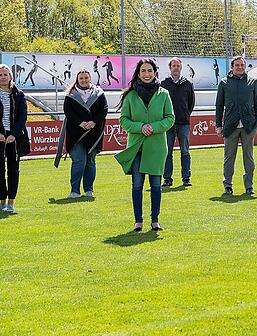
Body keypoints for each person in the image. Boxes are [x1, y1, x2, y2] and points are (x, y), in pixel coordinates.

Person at [114, 59, 174, 231]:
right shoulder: (130, 95)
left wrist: (153, 127)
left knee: (156, 185)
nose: (146, 74)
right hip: (137, 147)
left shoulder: (164, 94)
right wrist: (140, 127)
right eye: (143, 71)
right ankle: (138, 221)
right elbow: (123, 120)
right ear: (138, 74)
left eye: (149, 70)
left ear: (155, 72)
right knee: (137, 185)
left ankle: (155, 220)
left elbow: (170, 118)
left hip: (157, 147)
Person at [0, 64, 31, 213]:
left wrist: (13, 134)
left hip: (14, 139)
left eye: (6, 74)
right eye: (0, 75)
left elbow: (23, 117)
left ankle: (11, 203)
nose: (3, 77)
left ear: (10, 76)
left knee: (13, 171)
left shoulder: (19, 95)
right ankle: (1, 201)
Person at [216, 55, 257, 195]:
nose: (240, 67)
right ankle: (228, 185)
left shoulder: (253, 82)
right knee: (229, 157)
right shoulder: (224, 83)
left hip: (249, 125)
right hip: (230, 125)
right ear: (232, 67)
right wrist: (218, 125)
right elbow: (219, 105)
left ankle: (249, 186)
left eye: (242, 65)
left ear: (245, 66)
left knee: (248, 157)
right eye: (237, 65)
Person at [61, 69, 108, 198]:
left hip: (94, 133)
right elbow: (68, 112)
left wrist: (94, 122)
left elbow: (104, 110)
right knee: (79, 160)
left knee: (90, 161)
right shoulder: (71, 95)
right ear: (77, 80)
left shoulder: (99, 93)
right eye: (81, 78)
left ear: (90, 78)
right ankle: (74, 190)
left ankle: (89, 189)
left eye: (86, 78)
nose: (84, 80)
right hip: (76, 134)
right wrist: (80, 123)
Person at [161, 57, 196, 187]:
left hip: (184, 123)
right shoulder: (163, 84)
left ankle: (186, 178)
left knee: (185, 151)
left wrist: (186, 114)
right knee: (167, 152)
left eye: (178, 66)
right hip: (168, 124)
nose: (176, 68)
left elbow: (191, 103)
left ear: (181, 68)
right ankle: (167, 178)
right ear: (170, 68)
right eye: (173, 66)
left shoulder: (187, 84)